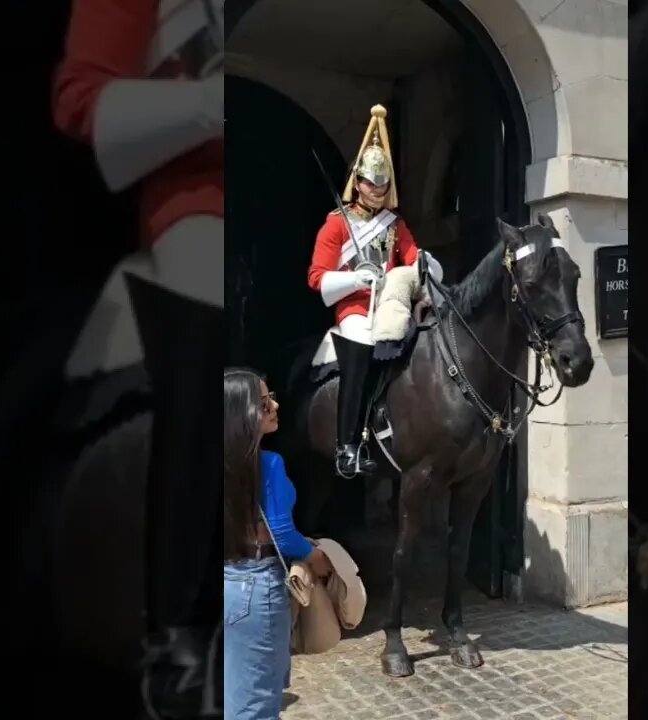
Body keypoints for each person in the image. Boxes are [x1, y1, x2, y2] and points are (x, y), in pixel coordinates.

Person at [51, 1, 224, 715]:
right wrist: (214, 105)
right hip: (196, 204)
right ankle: (178, 637)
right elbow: (82, 99)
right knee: (205, 352)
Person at [307, 104, 443, 479]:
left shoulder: (394, 225)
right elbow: (318, 278)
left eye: (383, 185)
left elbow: (414, 258)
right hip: (352, 309)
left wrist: (425, 264)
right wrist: (356, 279)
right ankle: (348, 446)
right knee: (362, 346)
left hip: (389, 304)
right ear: (358, 181)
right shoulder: (336, 226)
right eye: (371, 183)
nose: (377, 191)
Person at [223, 368, 332, 719]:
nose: (275, 405)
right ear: (242, 413)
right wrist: (314, 556)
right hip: (254, 585)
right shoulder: (267, 464)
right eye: (265, 401)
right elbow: (282, 533)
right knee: (254, 705)